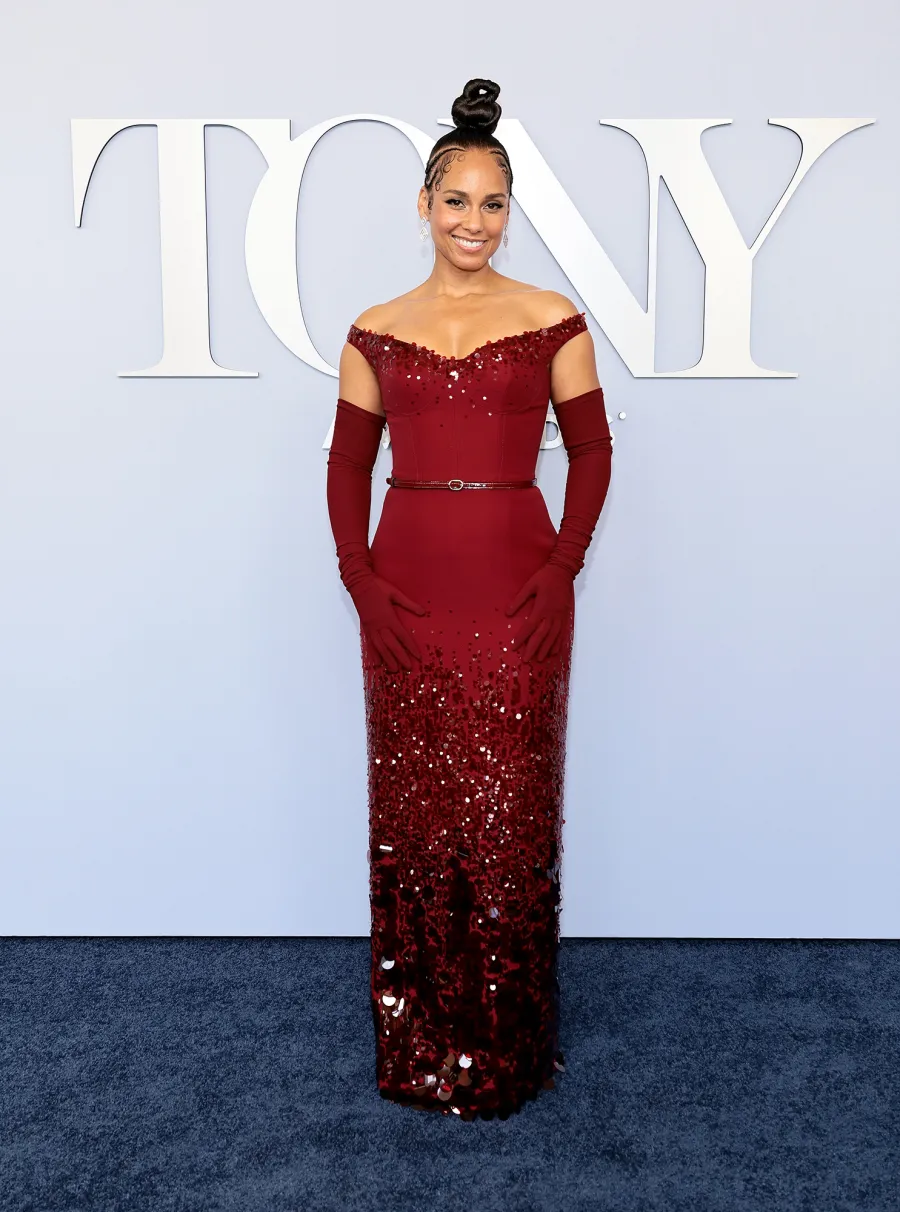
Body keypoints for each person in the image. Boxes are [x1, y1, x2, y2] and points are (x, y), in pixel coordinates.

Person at [326, 77, 613, 1120]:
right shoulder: (374, 330)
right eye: (457, 200)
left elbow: (593, 451)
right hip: (406, 593)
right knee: (417, 811)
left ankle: (507, 1045)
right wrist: (361, 581)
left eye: (494, 203)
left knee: (509, 810)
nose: (475, 222)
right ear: (424, 205)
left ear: (510, 211)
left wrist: (562, 566)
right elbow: (346, 465)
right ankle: (419, 1040)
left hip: (516, 591)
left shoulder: (552, 320)